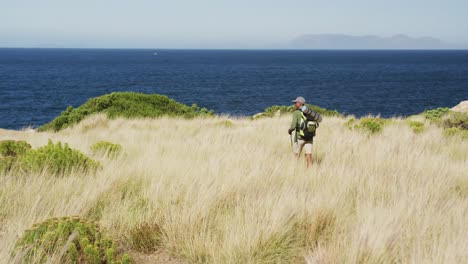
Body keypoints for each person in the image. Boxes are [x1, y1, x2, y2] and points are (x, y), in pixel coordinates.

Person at [288, 96, 322, 168]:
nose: (294, 104)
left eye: (295, 103)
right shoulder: (309, 112)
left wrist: (290, 130)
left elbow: (293, 126)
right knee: (308, 156)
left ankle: (293, 170)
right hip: (309, 137)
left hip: (300, 137)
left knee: (296, 155)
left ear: (300, 104)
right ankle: (310, 171)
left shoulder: (296, 112)